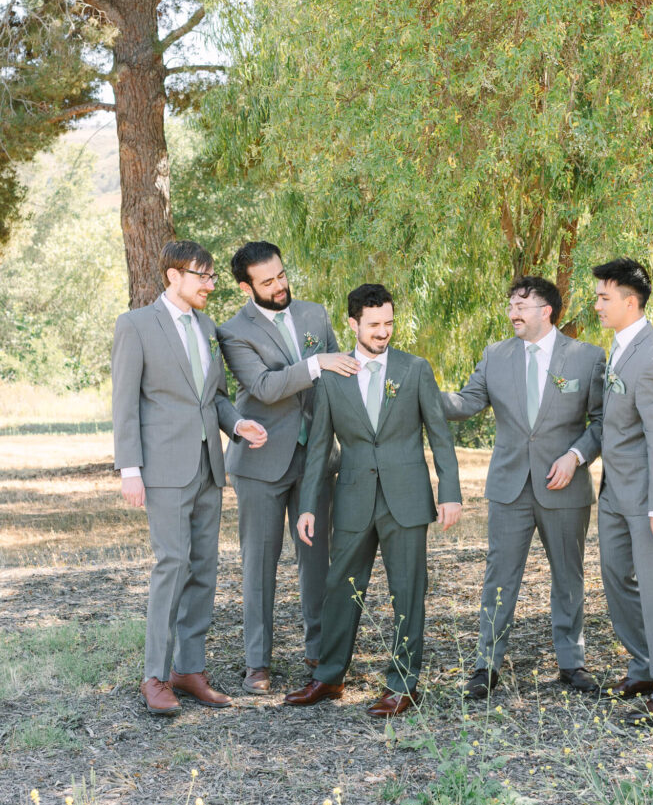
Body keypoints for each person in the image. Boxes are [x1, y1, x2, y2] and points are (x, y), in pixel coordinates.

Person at [283, 284, 462, 716]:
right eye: (374, 325)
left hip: (407, 498)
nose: (383, 333)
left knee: (408, 591)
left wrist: (450, 493)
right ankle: (328, 677)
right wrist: (308, 505)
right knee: (340, 588)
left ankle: (403, 684)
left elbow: (440, 436)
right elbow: (321, 446)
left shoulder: (415, 369)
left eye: (389, 323)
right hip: (352, 498)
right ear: (353, 324)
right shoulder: (331, 377)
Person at [112, 240, 267, 716]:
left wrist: (237, 423)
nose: (209, 284)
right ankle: (155, 676)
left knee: (203, 569)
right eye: (201, 275)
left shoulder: (206, 327)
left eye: (212, 275)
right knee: (171, 566)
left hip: (207, 468)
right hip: (162, 470)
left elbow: (214, 397)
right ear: (172, 277)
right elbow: (124, 403)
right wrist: (131, 470)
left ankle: (189, 669)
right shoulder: (136, 325)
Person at [443, 276, 605, 698]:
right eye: (510, 305)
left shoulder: (587, 358)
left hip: (564, 486)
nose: (513, 313)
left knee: (569, 577)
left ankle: (572, 664)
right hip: (509, 487)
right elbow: (465, 403)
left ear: (546, 311)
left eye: (522, 305)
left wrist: (576, 455)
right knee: (499, 576)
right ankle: (486, 666)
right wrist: (419, 390)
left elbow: (602, 421)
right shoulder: (495, 355)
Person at [217, 241, 359, 695]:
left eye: (281, 275)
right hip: (260, 461)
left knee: (316, 560)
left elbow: (343, 376)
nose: (279, 286)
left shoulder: (316, 314)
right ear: (246, 286)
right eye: (267, 281)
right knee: (260, 563)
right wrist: (315, 362)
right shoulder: (233, 330)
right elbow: (263, 385)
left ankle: (319, 652)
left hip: (316, 459)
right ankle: (257, 662)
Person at [593, 258, 653, 724]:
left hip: (649, 499)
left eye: (603, 297)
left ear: (630, 302)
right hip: (613, 492)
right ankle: (644, 667)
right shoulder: (618, 347)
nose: (596, 304)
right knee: (615, 581)